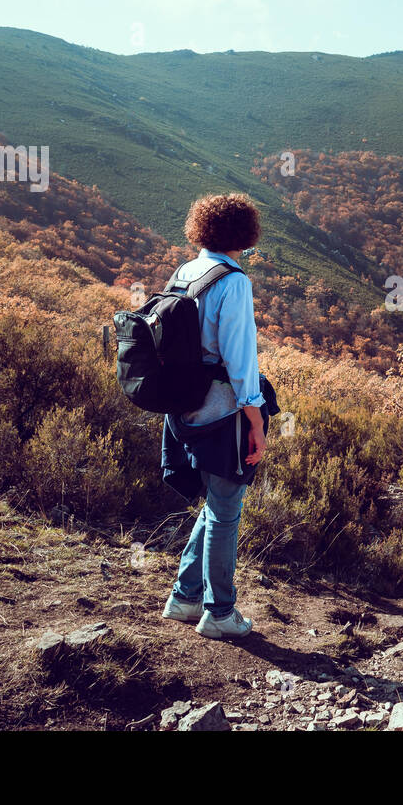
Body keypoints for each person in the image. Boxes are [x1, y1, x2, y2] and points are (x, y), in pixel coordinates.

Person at [161, 192, 266, 639]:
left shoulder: (185, 272)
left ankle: (184, 599)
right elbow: (240, 358)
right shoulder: (234, 281)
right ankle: (220, 613)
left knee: (215, 504)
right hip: (221, 410)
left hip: (180, 406)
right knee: (226, 510)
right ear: (244, 233)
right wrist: (256, 418)